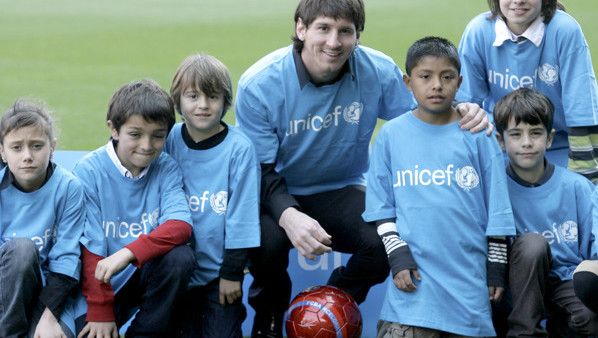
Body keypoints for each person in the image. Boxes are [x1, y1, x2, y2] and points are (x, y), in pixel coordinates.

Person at [235, 0, 491, 336]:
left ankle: (330, 307)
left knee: (383, 242)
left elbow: (427, 114)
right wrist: (288, 215)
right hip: (276, 193)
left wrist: (465, 110)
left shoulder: (378, 71)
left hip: (341, 189)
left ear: (357, 36)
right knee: (267, 242)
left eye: (345, 31)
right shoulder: (259, 84)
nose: (334, 42)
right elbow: (260, 169)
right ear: (301, 28)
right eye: (323, 28)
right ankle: (268, 321)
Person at [363, 36, 515, 338]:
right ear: (408, 82)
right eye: (425, 77)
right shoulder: (391, 135)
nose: (437, 85)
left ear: (459, 82)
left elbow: (497, 206)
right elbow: (381, 208)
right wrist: (397, 255)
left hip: (469, 292)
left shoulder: (478, 133)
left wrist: (496, 264)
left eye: (446, 77)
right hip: (412, 292)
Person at [73, 79, 195, 338]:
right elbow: (89, 247)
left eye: (158, 136)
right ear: (114, 129)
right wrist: (101, 309)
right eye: (135, 134)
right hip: (97, 286)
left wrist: (128, 252)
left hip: (140, 275)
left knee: (180, 258)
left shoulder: (166, 167)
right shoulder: (89, 170)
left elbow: (180, 226)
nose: (147, 145)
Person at [164, 54, 260, 337]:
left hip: (220, 277)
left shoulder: (239, 149)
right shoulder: (168, 139)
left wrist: (232, 273)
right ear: (178, 100)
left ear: (226, 102)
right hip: (177, 274)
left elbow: (243, 216)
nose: (203, 105)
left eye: (212, 96)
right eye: (193, 96)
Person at [492, 87, 598, 337]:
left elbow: (594, 253)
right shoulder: (493, 189)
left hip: (565, 282)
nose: (527, 142)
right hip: (514, 288)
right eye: (516, 134)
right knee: (532, 245)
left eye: (536, 133)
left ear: (550, 138)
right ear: (500, 140)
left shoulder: (577, 187)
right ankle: (523, 333)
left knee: (590, 319)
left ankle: (559, 328)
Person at [456, 0, 598, 182]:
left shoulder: (565, 29)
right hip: (501, 147)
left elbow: (582, 106)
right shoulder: (478, 30)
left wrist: (585, 175)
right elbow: (464, 103)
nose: (518, 1)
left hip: (558, 147)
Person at [0, 98, 85, 338]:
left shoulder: (70, 188)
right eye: (16, 147)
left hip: (50, 296)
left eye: (36, 146)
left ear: (53, 147)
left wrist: (49, 319)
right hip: (4, 295)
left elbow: (67, 260)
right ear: (2, 152)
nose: (27, 155)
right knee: (22, 251)